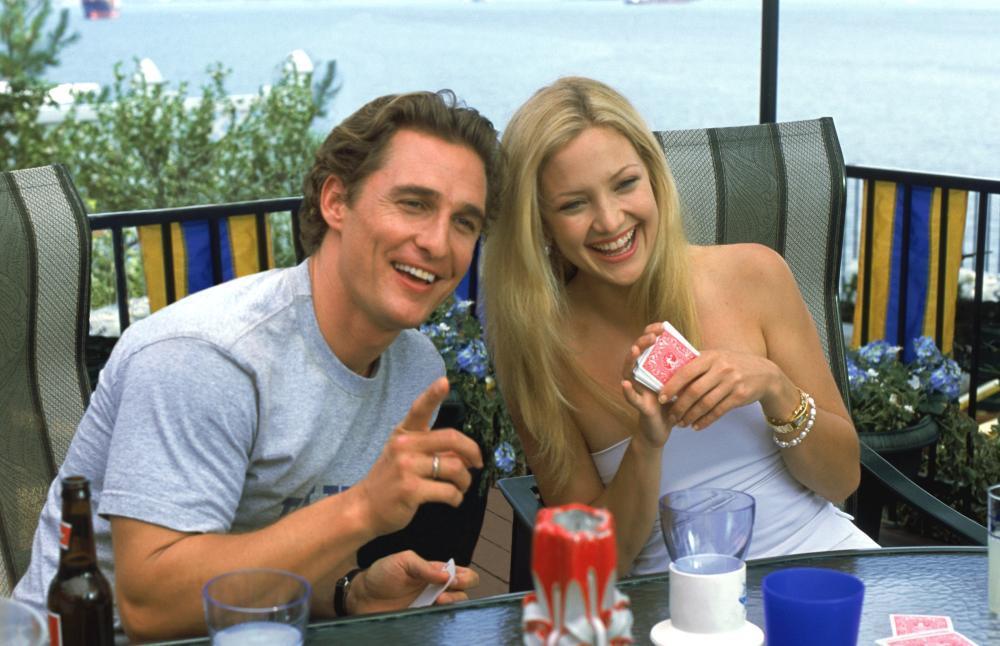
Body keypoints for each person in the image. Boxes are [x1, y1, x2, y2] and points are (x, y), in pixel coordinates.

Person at [14, 89, 501, 641]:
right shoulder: (209, 356)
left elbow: (283, 556)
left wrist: (349, 591)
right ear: (335, 201)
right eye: (413, 203)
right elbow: (150, 609)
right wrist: (363, 509)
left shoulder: (413, 370)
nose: (438, 242)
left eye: (465, 222)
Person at [483, 77, 878, 576]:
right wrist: (647, 443)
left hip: (827, 567)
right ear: (540, 222)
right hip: (677, 601)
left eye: (625, 184)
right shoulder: (540, 352)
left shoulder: (755, 273)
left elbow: (842, 480)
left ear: (654, 178)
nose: (610, 220)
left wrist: (776, 389)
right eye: (573, 204)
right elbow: (597, 566)